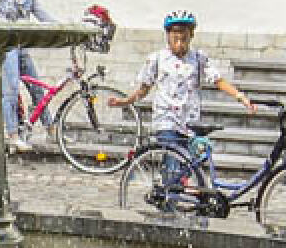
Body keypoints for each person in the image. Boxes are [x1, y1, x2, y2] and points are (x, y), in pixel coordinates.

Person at [109, 11, 254, 185]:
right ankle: (170, 192)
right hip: (166, 120)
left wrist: (240, 96)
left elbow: (218, 80)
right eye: (175, 39)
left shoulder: (199, 59)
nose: (179, 44)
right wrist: (125, 101)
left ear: (191, 36)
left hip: (190, 121)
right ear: (168, 37)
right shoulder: (157, 59)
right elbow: (144, 89)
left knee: (191, 163)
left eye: (183, 39)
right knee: (173, 159)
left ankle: (177, 189)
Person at [0, 0, 55, 154]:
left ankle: (51, 130)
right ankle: (13, 136)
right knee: (10, 90)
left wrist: (62, 27)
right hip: (7, 46)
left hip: (21, 46)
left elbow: (43, 15)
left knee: (37, 88)